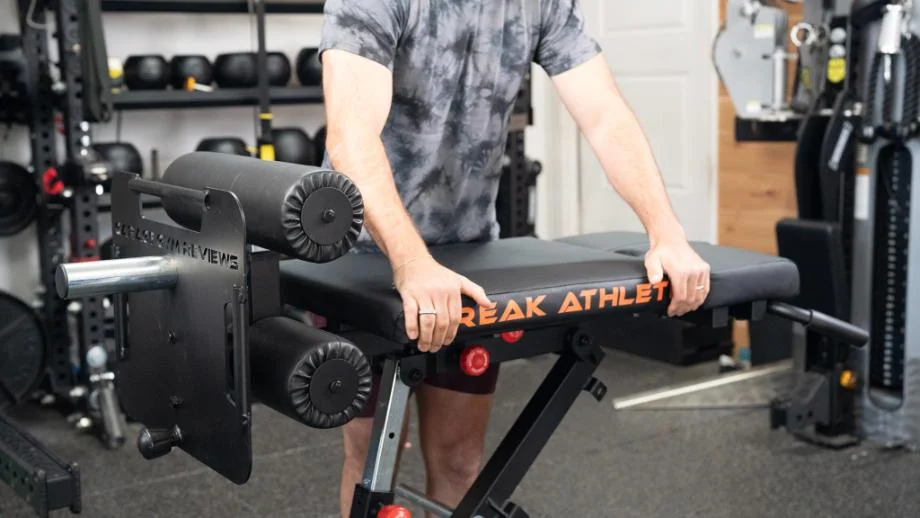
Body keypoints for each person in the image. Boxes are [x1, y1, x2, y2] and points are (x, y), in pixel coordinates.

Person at [318, 0, 712, 515]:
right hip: (363, 254)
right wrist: (412, 262)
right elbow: (351, 139)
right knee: (372, 460)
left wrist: (667, 231)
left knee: (461, 461)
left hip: (468, 250)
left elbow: (604, 115)